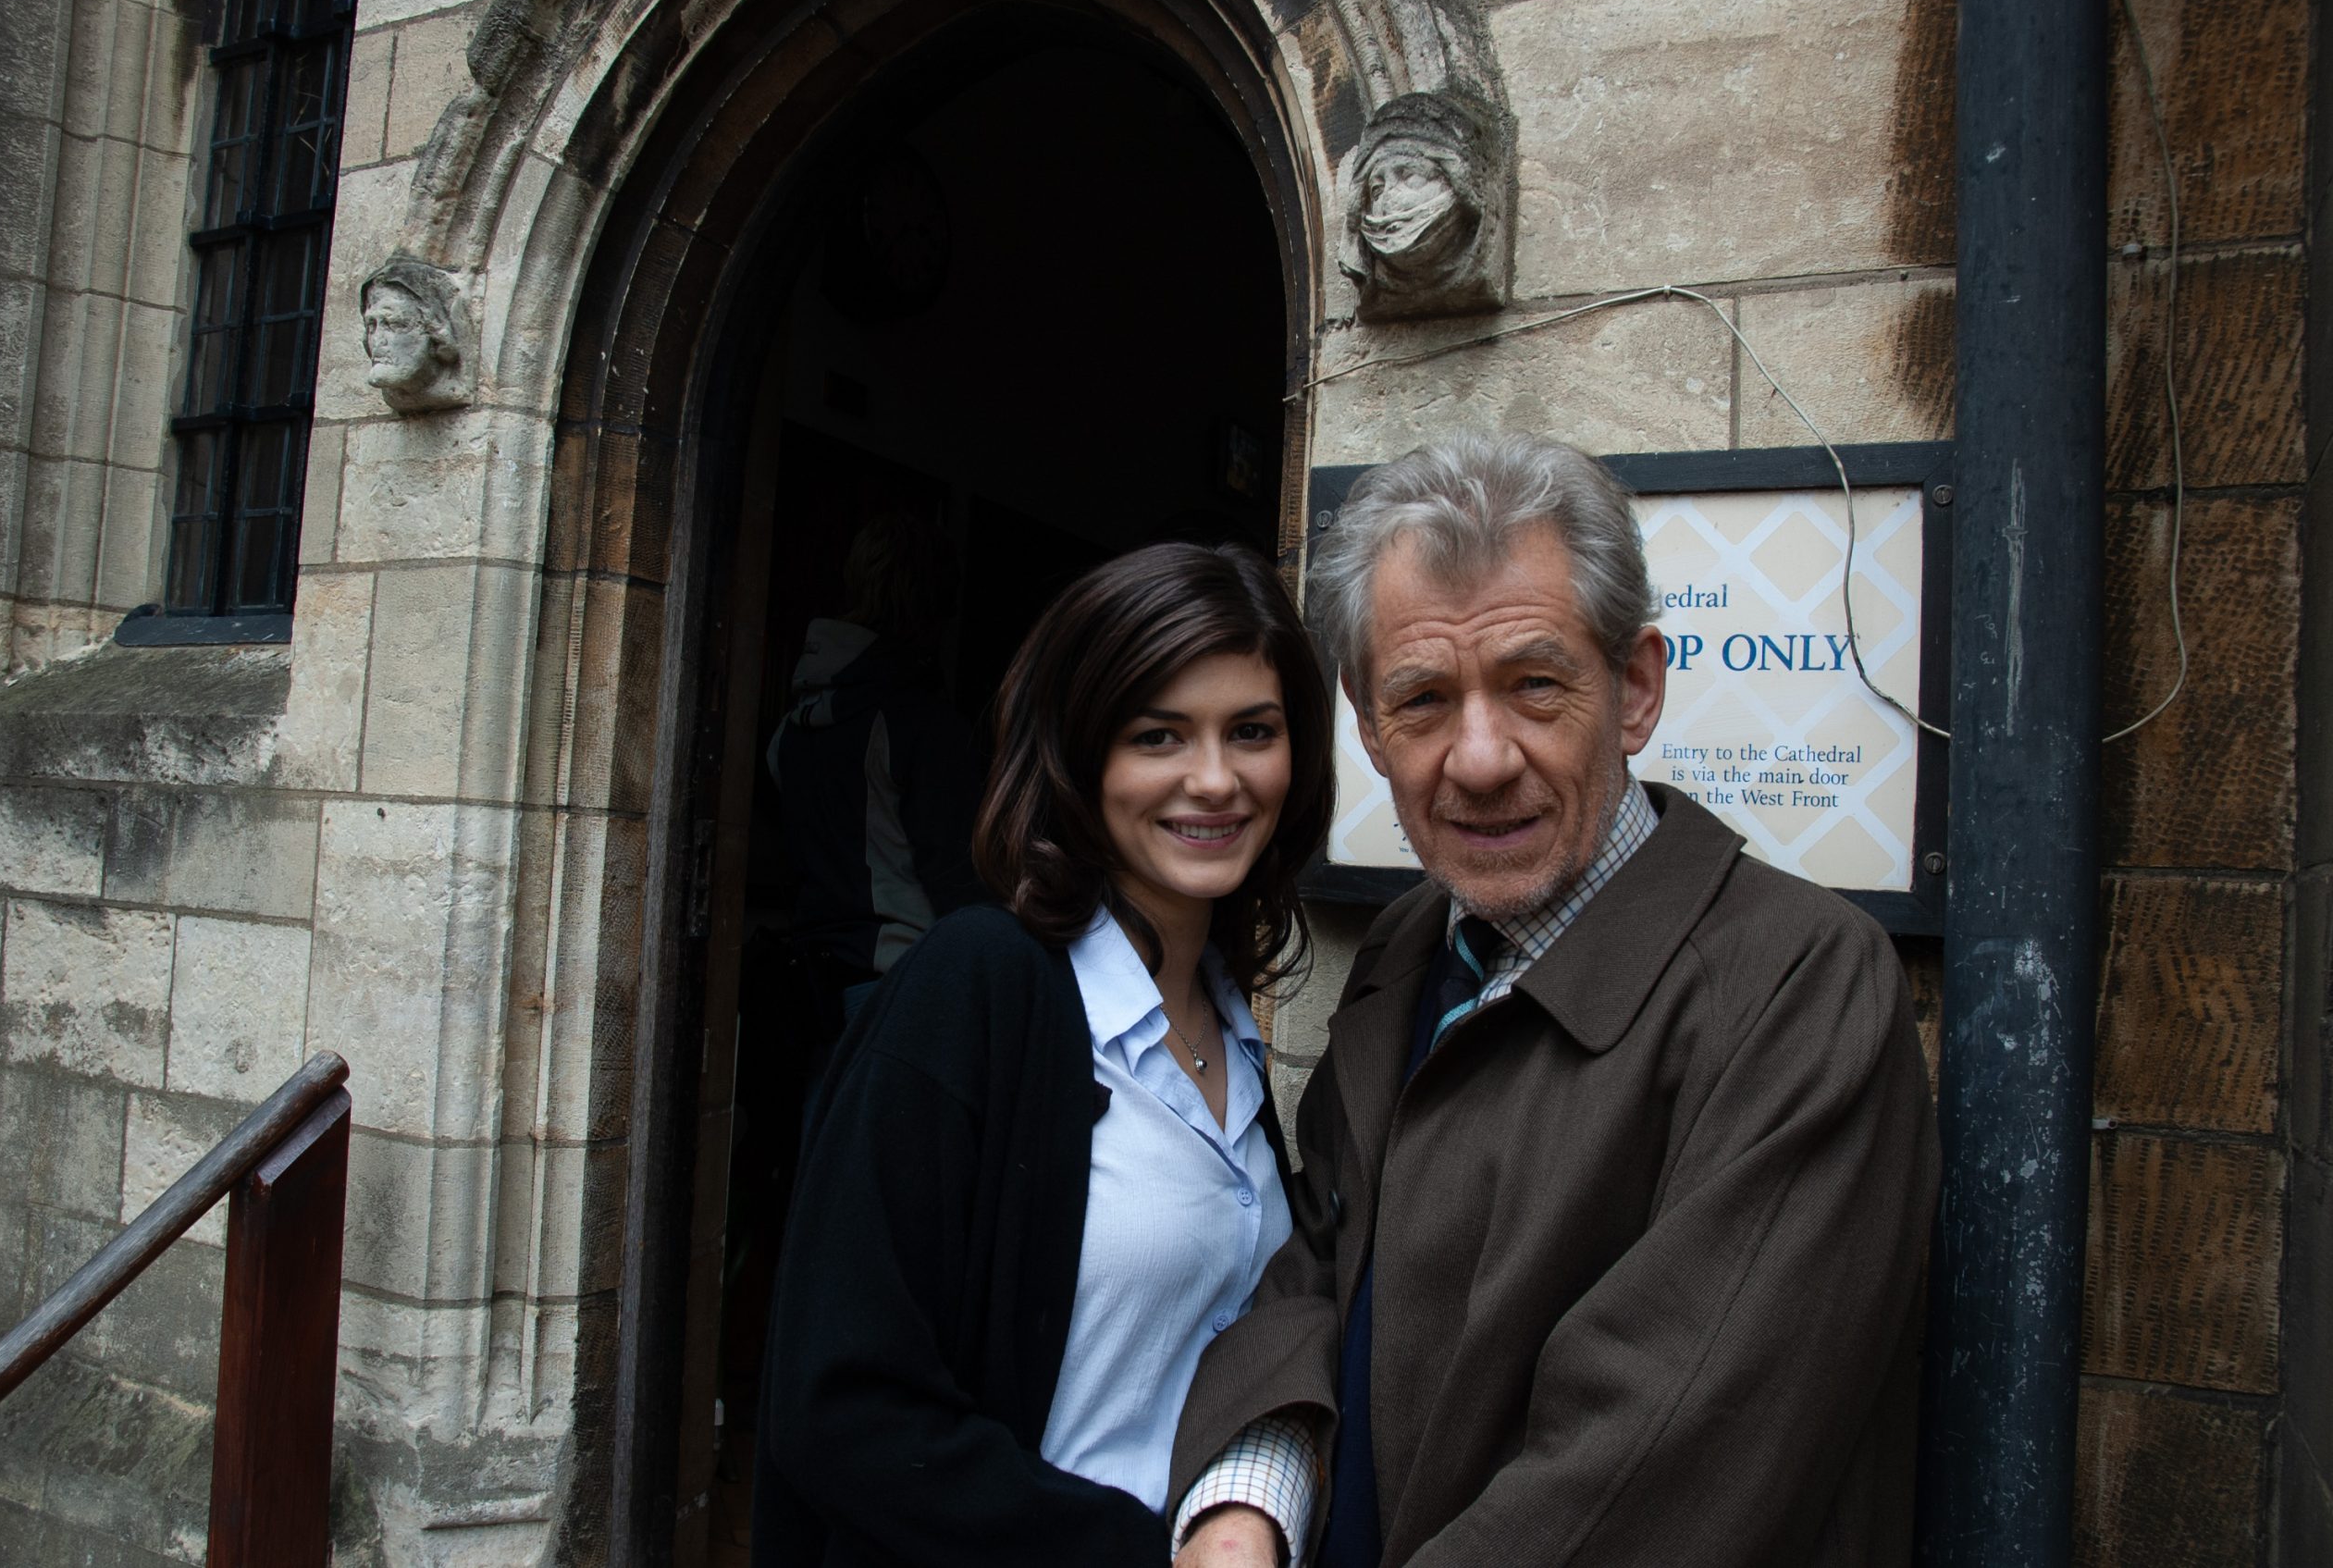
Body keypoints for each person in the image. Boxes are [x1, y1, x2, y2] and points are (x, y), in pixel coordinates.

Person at [1168, 432, 1941, 1568]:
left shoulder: (1801, 987)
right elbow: (1319, 1268)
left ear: (1634, 688)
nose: (1478, 758)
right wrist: (1249, 1496)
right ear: (1368, 725)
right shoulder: (1409, 949)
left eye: (1534, 683)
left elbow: (1656, 1465)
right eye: (1423, 699)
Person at [750, 541, 1337, 1567]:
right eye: (1158, 734)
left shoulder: (1228, 1025)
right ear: (1077, 755)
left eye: (1252, 731)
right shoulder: (976, 989)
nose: (1215, 779)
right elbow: (839, 1411)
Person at [766, 510, 987, 1029]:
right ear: (933, 608)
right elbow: (960, 881)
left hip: (812, 987)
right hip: (902, 984)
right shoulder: (916, 723)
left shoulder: (790, 728)